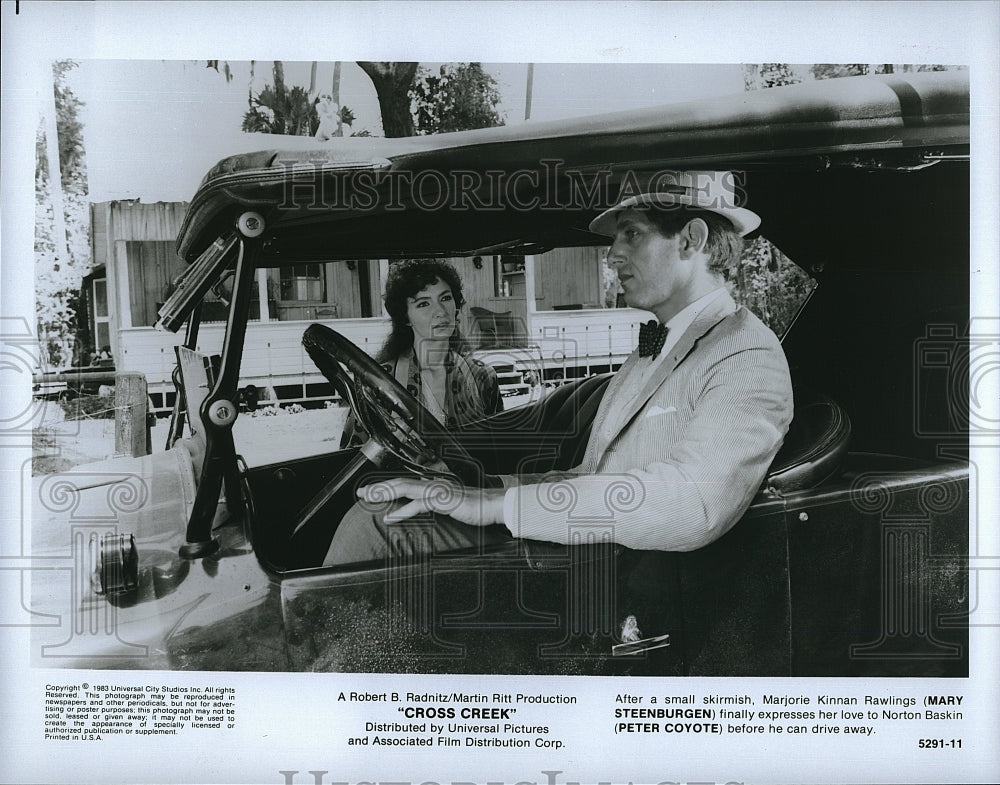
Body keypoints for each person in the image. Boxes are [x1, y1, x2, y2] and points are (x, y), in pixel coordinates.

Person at [326, 171, 793, 563]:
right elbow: (592, 476)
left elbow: (693, 504)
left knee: (377, 526)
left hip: (617, 576)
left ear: (692, 239)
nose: (612, 255)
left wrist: (499, 504)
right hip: (583, 549)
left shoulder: (745, 355)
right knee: (379, 510)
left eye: (632, 233)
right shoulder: (654, 347)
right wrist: (481, 488)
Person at [374, 258, 502, 428]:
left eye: (445, 298)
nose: (440, 312)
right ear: (405, 318)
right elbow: (355, 452)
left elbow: (499, 450)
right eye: (423, 303)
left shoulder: (482, 377)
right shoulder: (380, 383)